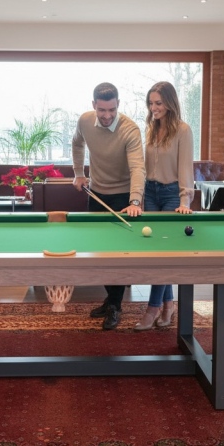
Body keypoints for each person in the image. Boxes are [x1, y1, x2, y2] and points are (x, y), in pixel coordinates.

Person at [72, 82, 146, 330]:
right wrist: (78, 173)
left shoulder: (130, 129)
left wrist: (135, 200)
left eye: (112, 109)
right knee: (98, 252)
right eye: (102, 110)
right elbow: (77, 143)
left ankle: (114, 304)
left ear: (118, 105)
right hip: (96, 193)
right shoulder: (85, 121)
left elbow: (138, 168)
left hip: (123, 196)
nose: (107, 115)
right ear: (94, 105)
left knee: (117, 255)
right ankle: (111, 300)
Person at [134, 81, 194, 331]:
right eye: (151, 103)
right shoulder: (150, 128)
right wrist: (138, 196)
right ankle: (169, 305)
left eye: (158, 103)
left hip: (171, 194)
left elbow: (185, 166)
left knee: (163, 252)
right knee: (155, 252)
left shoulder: (183, 130)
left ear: (169, 103)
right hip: (150, 192)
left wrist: (184, 200)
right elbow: (143, 166)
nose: (154, 108)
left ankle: (152, 308)